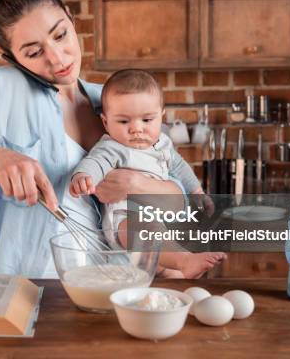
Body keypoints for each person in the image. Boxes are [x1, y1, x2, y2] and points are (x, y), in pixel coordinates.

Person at [0, 0, 195, 278]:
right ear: (13, 58)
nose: (58, 58)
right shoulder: (3, 89)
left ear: (71, 19)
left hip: (119, 285)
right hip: (35, 291)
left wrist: (140, 186)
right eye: (34, 52)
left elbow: (175, 191)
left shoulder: (113, 102)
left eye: (60, 35)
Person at [70, 69, 226, 278]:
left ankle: (173, 271)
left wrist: (197, 191)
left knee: (169, 267)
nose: (136, 129)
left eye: (146, 120)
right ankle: (184, 260)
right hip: (126, 219)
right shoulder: (112, 147)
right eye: (124, 122)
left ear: (161, 117)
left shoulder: (163, 144)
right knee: (145, 230)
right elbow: (95, 163)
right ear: (106, 122)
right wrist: (82, 176)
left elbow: (180, 167)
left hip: (161, 220)